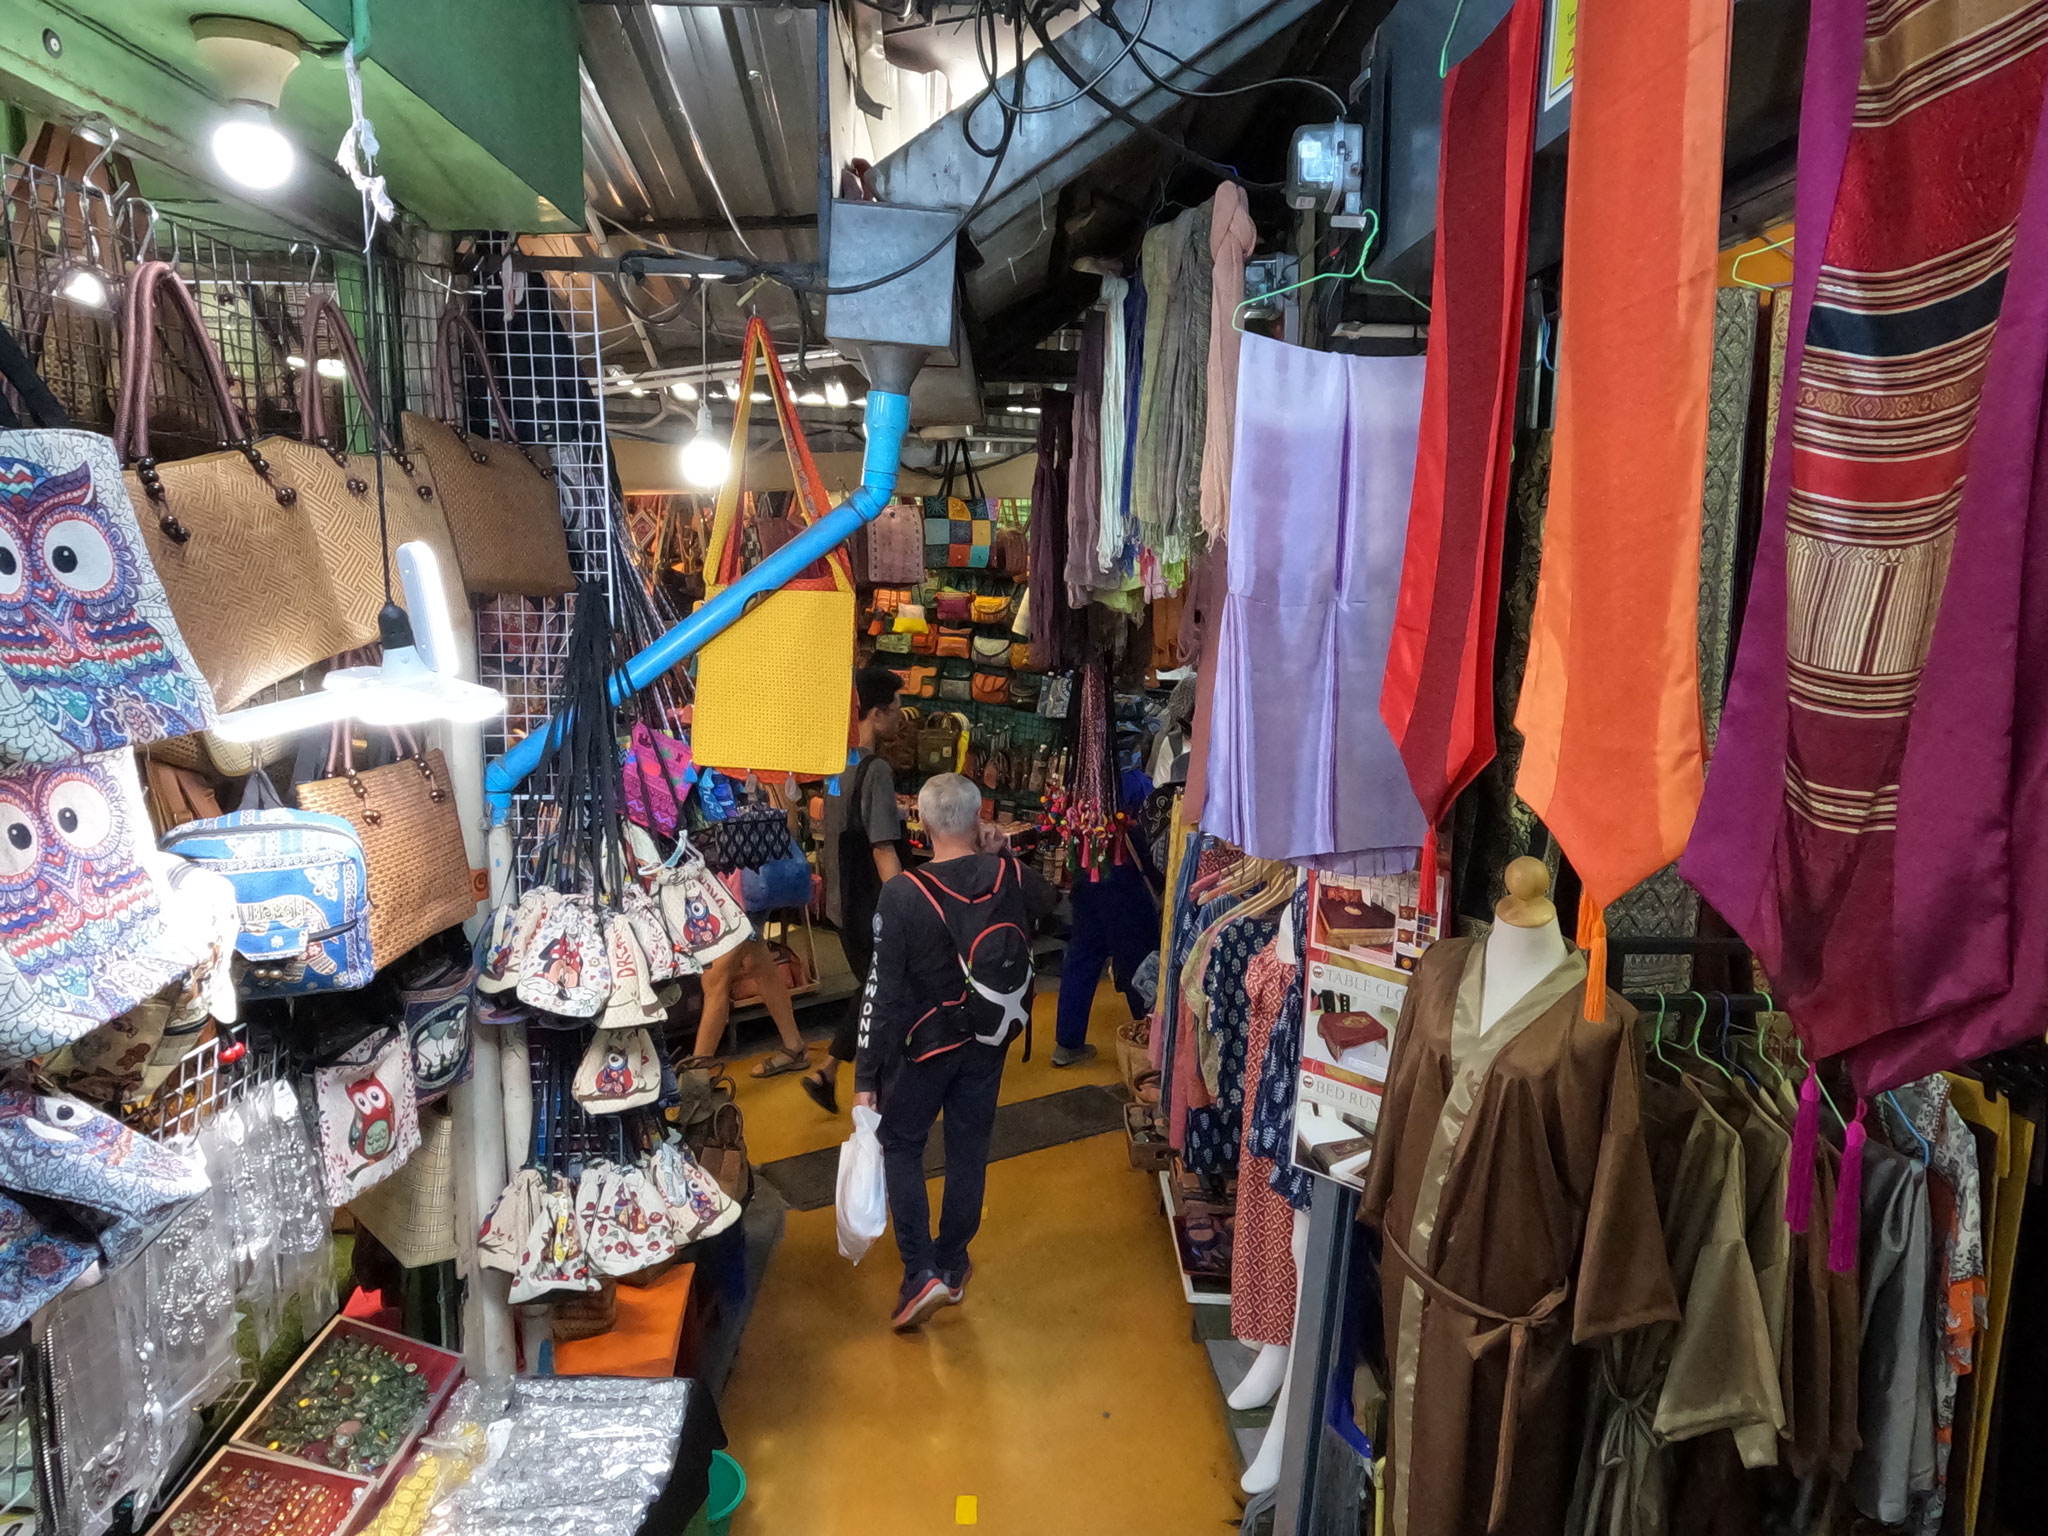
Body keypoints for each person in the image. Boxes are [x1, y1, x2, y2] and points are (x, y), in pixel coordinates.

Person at [855, 773, 1059, 1331]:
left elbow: (883, 990)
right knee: (968, 1148)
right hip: (989, 1039)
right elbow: (1052, 902)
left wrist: (866, 1075)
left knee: (902, 1144)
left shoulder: (903, 894)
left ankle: (919, 1272)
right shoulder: (1007, 874)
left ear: (920, 824)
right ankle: (951, 1261)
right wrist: (1003, 852)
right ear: (977, 819)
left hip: (922, 1047)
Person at [803, 666, 910, 1113]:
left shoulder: (837, 762)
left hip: (840, 900)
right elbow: (882, 848)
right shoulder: (876, 769)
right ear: (876, 714)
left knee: (873, 985)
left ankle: (827, 1072)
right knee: (885, 991)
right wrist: (907, 905)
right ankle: (874, 1089)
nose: (901, 716)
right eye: (896, 708)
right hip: (872, 904)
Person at [1051, 764, 1162, 1067]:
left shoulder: (1083, 782)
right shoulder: (1137, 783)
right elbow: (1151, 834)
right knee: (1141, 963)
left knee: (1082, 959)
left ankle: (1067, 1043)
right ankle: (1151, 1044)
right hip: (1126, 887)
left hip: (1087, 879)